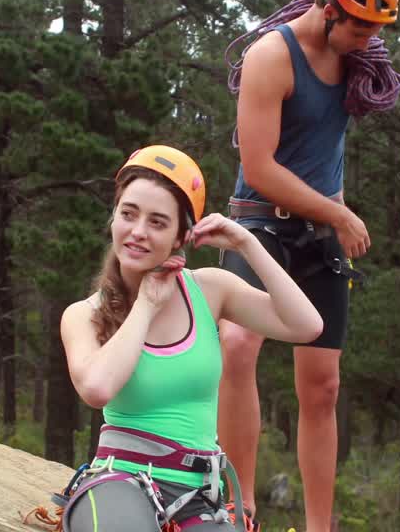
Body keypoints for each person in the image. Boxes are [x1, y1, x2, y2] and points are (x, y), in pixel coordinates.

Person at [218, 0, 400, 532]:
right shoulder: (270, 57)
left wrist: (336, 208)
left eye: (377, 28)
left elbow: (328, 146)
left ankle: (319, 526)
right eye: (360, 25)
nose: (369, 38)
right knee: (236, 346)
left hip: (319, 227)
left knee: (322, 387)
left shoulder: (354, 59)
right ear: (327, 5)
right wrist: (341, 216)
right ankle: (239, 507)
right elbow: (262, 164)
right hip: (257, 222)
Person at [57, 144, 323, 532]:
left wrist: (248, 244)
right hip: (120, 483)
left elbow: (306, 325)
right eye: (128, 214)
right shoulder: (84, 315)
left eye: (158, 222)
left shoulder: (210, 291)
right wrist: (147, 303)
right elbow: (96, 389)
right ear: (113, 218)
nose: (137, 232)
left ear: (182, 235)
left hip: (198, 497)